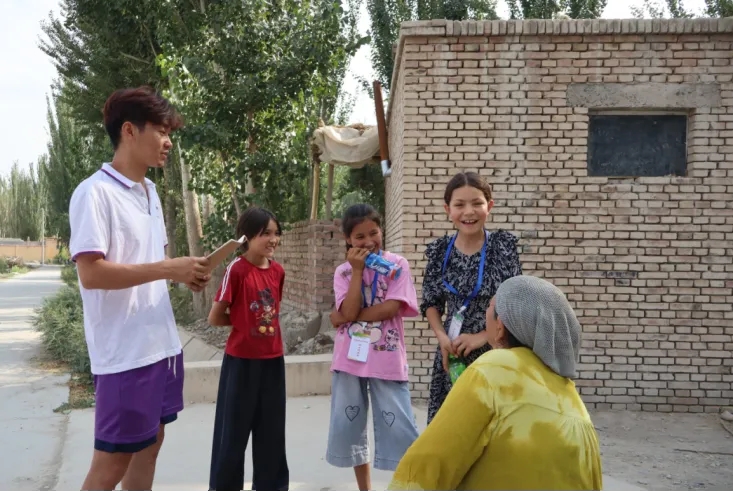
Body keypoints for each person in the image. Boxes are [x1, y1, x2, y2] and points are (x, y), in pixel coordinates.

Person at [69, 86, 212, 491]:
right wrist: (167, 268)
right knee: (111, 464)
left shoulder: (150, 192)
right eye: (161, 131)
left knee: (150, 446)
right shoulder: (94, 193)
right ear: (129, 130)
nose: (168, 142)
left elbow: (150, 263)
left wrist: (183, 274)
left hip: (160, 346)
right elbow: (91, 273)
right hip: (124, 355)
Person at [388, 275, 603, 490]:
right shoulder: (576, 407)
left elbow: (429, 462)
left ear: (500, 326)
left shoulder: (493, 370)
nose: (485, 315)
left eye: (490, 307)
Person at [325, 204, 421, 491]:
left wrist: (346, 317)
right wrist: (357, 272)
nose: (368, 241)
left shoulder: (397, 265)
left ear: (382, 230)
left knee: (400, 427)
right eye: (359, 236)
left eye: (373, 233)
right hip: (349, 359)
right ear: (347, 240)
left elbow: (391, 308)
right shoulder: (344, 272)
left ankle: (405, 486)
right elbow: (349, 308)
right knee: (351, 426)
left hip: (387, 358)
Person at [421, 171, 522, 423]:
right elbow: (431, 302)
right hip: (452, 352)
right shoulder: (439, 251)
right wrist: (442, 337)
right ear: (448, 209)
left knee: (489, 427)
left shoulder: (503, 247)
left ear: (490, 206)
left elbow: (514, 300)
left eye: (477, 203)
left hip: (495, 350)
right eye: (459, 205)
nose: (469, 212)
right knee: (451, 427)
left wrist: (483, 337)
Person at [207, 206, 289, 491]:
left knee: (272, 432)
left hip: (273, 361)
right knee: (233, 433)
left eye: (276, 233)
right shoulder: (237, 269)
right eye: (265, 233)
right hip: (241, 363)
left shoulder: (278, 271)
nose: (273, 239)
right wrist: (243, 322)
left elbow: (271, 312)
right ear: (247, 236)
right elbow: (215, 317)